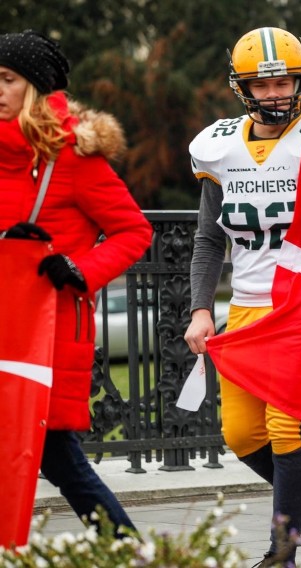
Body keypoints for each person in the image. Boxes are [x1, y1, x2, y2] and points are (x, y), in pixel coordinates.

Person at [183, 27, 301, 565]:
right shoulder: (219, 146)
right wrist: (200, 308)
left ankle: (284, 548)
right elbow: (210, 236)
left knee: (286, 427)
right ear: (243, 89)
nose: (275, 93)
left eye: (283, 80)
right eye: (262, 85)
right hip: (246, 308)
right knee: (240, 434)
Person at [0, 30, 151, 536]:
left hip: (46, 332)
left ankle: (130, 550)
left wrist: (77, 268)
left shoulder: (74, 159)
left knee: (57, 457)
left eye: (7, 79)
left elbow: (135, 231)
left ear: (36, 90)